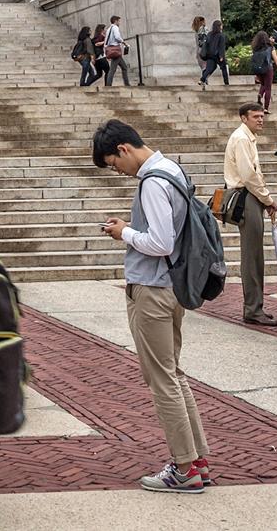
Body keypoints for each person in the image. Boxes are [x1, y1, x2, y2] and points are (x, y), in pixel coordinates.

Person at [93, 119, 214, 493]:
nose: (119, 171)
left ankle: (184, 468)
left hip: (152, 288)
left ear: (124, 150)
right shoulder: (171, 168)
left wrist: (124, 233)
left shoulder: (152, 181)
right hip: (172, 286)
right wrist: (133, 226)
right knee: (174, 374)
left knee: (162, 380)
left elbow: (160, 242)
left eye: (115, 163)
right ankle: (197, 460)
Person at [224, 103, 277, 325]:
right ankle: (253, 308)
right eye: (255, 116)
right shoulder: (242, 139)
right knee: (253, 255)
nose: (260, 119)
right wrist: (268, 199)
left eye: (261, 116)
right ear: (243, 118)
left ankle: (255, 306)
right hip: (246, 198)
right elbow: (249, 175)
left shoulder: (246, 138)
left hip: (249, 196)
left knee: (254, 254)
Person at [197, 19, 229, 86]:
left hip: (209, 55)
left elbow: (207, 44)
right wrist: (221, 56)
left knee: (210, 68)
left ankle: (202, 79)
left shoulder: (209, 34)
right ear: (219, 26)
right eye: (221, 25)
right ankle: (226, 83)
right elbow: (221, 47)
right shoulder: (221, 35)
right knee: (223, 68)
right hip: (217, 55)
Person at [248, 30, 274, 110]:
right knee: (268, 88)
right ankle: (266, 108)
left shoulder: (255, 48)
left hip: (258, 70)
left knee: (263, 84)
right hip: (268, 68)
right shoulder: (269, 47)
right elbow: (275, 59)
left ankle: (260, 94)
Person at [99, 16, 128, 86]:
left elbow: (106, 41)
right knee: (112, 69)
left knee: (124, 67)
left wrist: (106, 52)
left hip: (111, 50)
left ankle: (127, 84)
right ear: (115, 21)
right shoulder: (115, 28)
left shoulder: (109, 29)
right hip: (116, 51)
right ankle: (109, 85)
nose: (119, 23)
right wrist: (123, 42)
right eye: (119, 21)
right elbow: (117, 37)